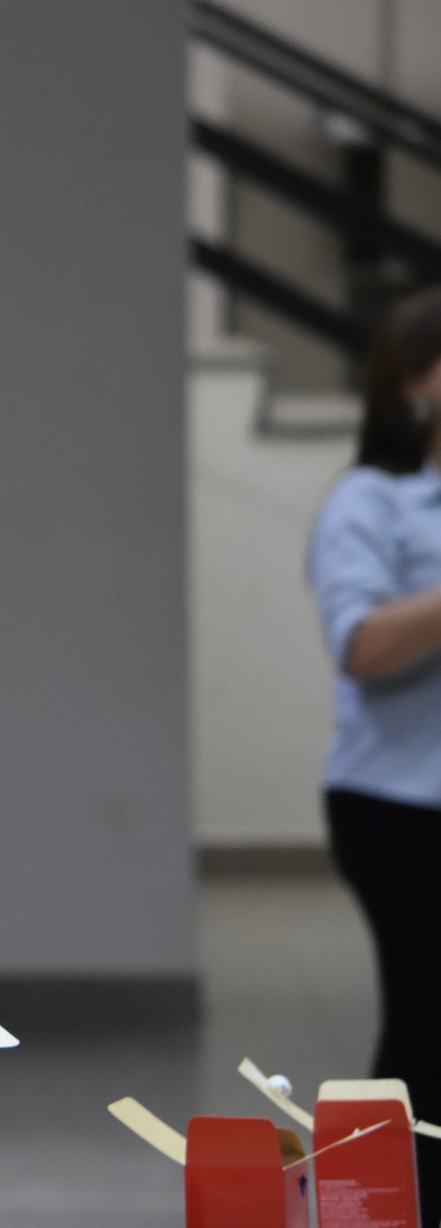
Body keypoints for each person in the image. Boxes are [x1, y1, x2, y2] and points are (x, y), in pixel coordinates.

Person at [307, 285, 441, 1203]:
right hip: (401, 806)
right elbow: (362, 644)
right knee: (428, 1028)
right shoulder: (371, 502)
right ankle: (381, 1209)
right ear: (416, 382)